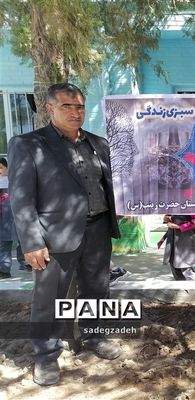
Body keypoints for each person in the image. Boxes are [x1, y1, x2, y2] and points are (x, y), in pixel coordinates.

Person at [8, 83, 121, 386]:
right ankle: (45, 356)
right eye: (67, 107)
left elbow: (108, 184)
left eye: (80, 106)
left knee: (97, 289)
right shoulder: (29, 144)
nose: (75, 112)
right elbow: (21, 198)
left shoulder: (98, 143)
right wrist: (31, 241)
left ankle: (95, 336)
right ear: (50, 109)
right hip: (53, 236)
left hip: (97, 229)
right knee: (50, 298)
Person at [0, 157, 28, 278]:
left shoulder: (15, 180)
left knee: (22, 242)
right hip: (3, 219)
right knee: (4, 244)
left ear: (7, 167)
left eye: (0, 168)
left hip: (18, 217)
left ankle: (26, 263)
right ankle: (4, 270)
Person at [161, 214, 195, 281]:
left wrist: (179, 227)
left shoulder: (191, 206)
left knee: (185, 266)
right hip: (172, 238)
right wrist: (166, 219)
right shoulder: (173, 205)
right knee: (173, 263)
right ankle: (182, 287)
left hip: (185, 238)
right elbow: (168, 217)